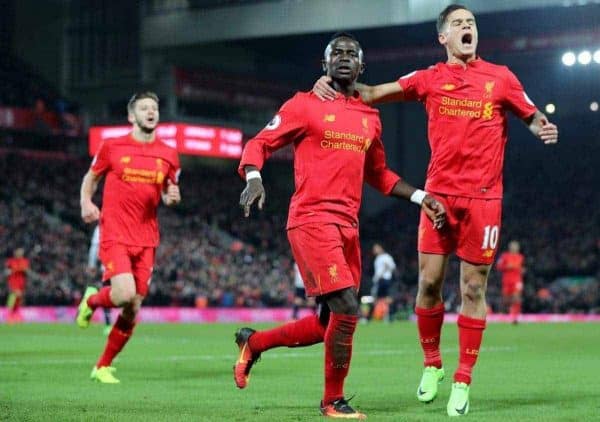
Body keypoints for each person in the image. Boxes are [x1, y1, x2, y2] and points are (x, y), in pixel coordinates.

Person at [313, 4, 559, 417]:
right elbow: (372, 93)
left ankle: (463, 378)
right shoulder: (429, 78)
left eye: (472, 24)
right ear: (443, 37)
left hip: (483, 199)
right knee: (428, 284)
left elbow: (530, 112)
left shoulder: (500, 77)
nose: (468, 28)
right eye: (459, 24)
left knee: (473, 289)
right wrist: (330, 82)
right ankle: (432, 364)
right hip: (439, 198)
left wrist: (541, 126)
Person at [234, 32, 446, 420]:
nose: (345, 58)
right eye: (337, 53)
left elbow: (379, 175)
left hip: (349, 226)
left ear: (362, 67)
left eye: (352, 54)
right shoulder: (304, 104)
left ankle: (255, 342)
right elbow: (260, 143)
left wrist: (421, 197)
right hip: (312, 219)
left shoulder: (370, 117)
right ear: (324, 64)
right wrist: (253, 177)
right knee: (347, 307)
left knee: (327, 324)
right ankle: (332, 400)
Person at [76, 91, 181, 384]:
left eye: (154, 108)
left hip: (147, 238)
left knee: (133, 307)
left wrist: (172, 197)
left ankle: (103, 366)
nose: (151, 112)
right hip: (115, 232)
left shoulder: (169, 154)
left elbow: (170, 193)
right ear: (131, 116)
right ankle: (92, 302)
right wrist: (86, 202)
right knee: (122, 295)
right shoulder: (112, 146)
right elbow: (91, 177)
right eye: (144, 108)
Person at [87, 225, 112, 335]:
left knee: (116, 294)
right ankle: (108, 324)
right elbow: (95, 246)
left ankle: (92, 299)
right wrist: (92, 264)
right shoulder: (101, 226)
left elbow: (94, 246)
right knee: (109, 293)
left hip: (118, 265)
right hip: (109, 266)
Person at [496, 240, 525, 324]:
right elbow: (498, 266)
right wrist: (506, 267)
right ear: (510, 248)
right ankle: (505, 314)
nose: (514, 248)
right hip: (507, 281)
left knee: (516, 297)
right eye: (513, 247)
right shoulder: (504, 256)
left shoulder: (521, 257)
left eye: (516, 247)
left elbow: (522, 268)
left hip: (517, 280)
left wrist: (522, 270)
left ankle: (515, 316)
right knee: (506, 300)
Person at [369, 243, 397, 322]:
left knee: (384, 298)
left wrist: (385, 269)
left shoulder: (386, 257)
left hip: (385, 280)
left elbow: (393, 267)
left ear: (381, 248)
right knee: (378, 298)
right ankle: (374, 317)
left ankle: (389, 317)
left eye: (376, 248)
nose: (374, 250)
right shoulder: (378, 258)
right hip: (379, 280)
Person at [5, 247, 30, 323]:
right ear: (15, 253)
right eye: (19, 252)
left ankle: (14, 315)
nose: (20, 254)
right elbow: (7, 271)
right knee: (16, 295)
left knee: (18, 299)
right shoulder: (10, 261)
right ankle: (10, 314)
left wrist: (16, 269)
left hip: (21, 282)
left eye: (21, 252)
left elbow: (26, 270)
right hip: (13, 282)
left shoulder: (25, 261)